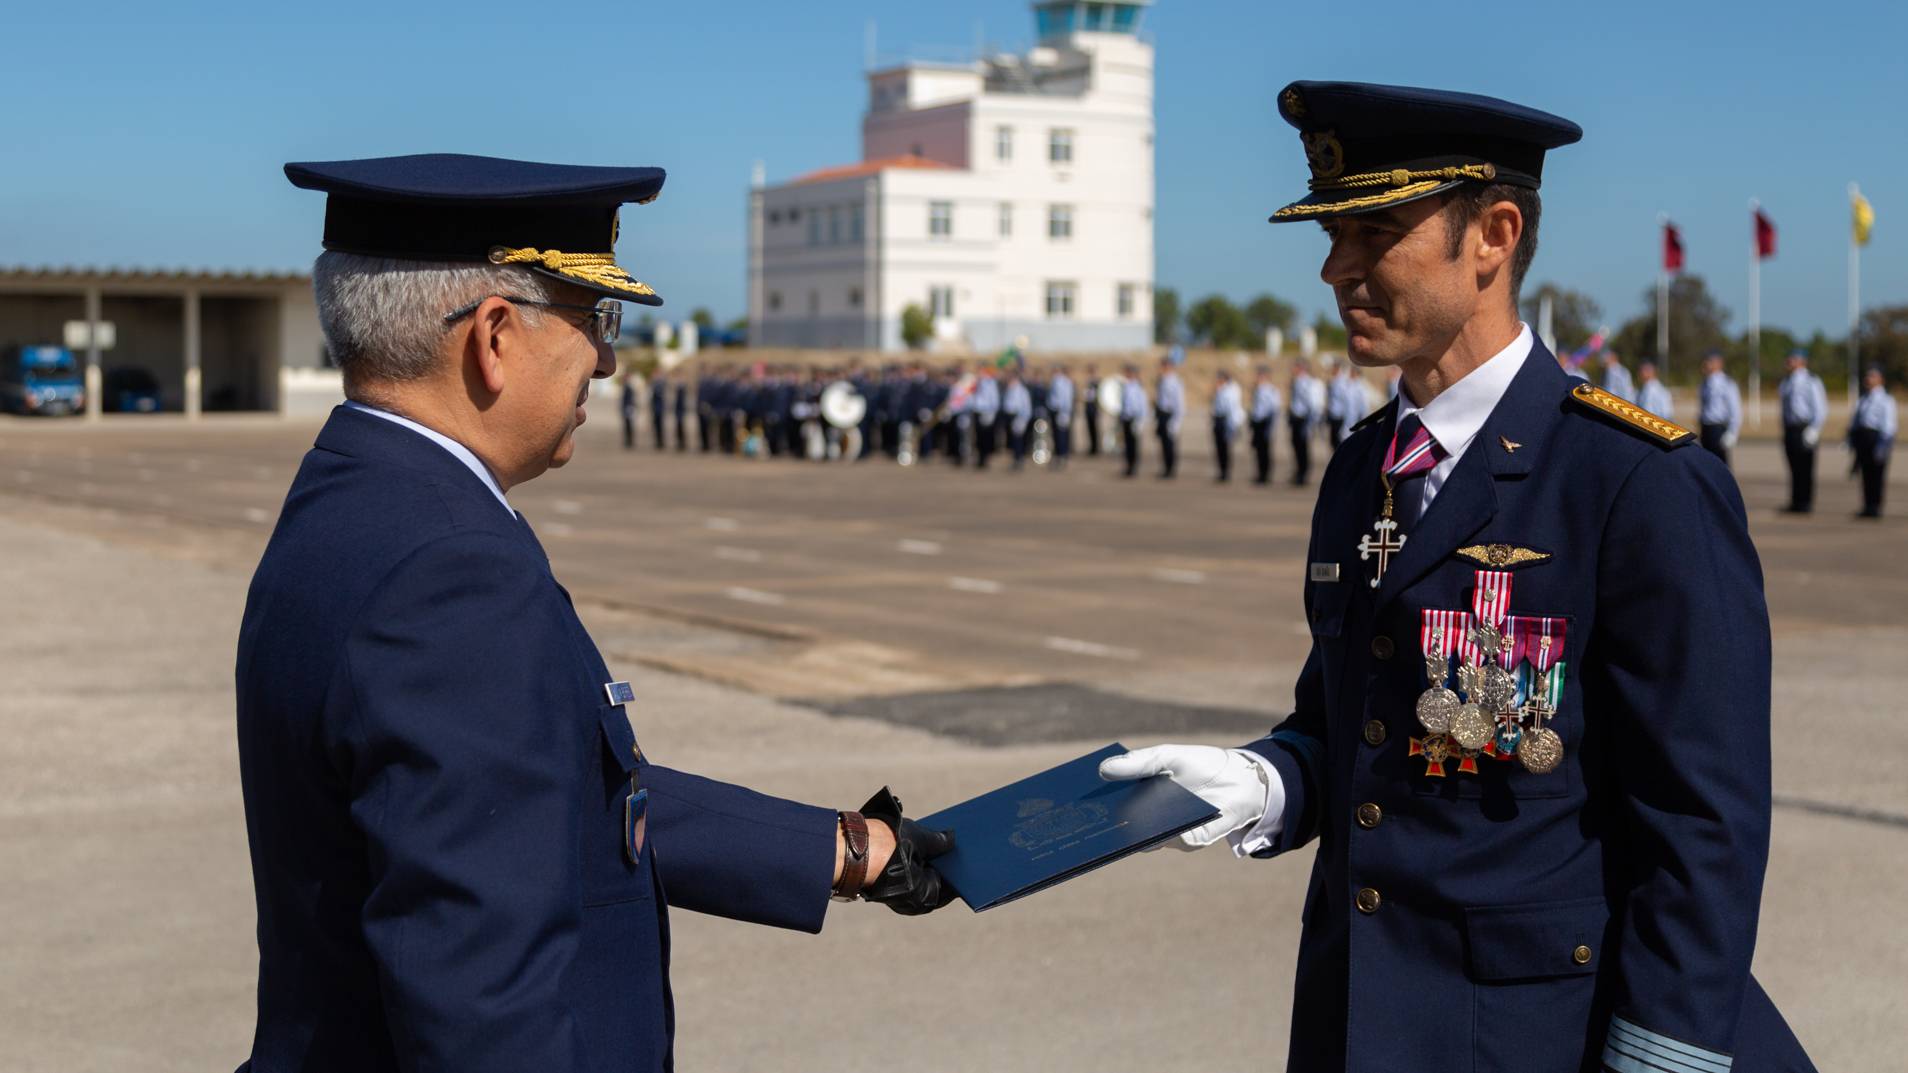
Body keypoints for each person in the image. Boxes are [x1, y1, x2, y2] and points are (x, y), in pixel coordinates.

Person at [1100, 82, 1813, 1073]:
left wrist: (1663, 1060)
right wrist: (1265, 780)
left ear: (1494, 234)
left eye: (1375, 232)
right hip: (1368, 1020)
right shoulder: (1365, 468)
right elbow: (1354, 723)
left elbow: (1704, 827)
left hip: (1547, 1036)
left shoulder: (1635, 481)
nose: (1335, 268)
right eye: (1332, 235)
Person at [245, 155, 955, 1073]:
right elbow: (483, 1008)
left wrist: (845, 848)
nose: (609, 360)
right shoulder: (453, 572)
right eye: (594, 319)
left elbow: (561, 795)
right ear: (495, 336)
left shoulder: (354, 495)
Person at [1778, 350, 1829, 513]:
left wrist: (1814, 429)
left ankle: (1805, 502)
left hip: (1805, 428)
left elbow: (1820, 408)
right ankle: (1796, 501)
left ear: (1802, 361)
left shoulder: (1811, 381)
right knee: (1793, 467)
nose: (1788, 361)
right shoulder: (1786, 382)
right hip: (1791, 428)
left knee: (1806, 467)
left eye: (1792, 359)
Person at [1849, 365, 1897, 519]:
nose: (1868, 379)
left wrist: (1883, 446)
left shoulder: (1886, 400)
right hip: (1863, 439)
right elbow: (1856, 421)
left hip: (1876, 439)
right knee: (1865, 474)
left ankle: (1875, 507)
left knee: (1877, 475)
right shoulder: (1863, 398)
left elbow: (1889, 425)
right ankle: (1867, 505)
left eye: (1873, 376)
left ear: (1881, 380)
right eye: (1868, 376)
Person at [1698, 350, 1742, 467]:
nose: (1706, 364)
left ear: (1719, 363)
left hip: (1718, 429)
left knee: (1721, 466)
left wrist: (1732, 433)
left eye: (1709, 361)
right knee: (1707, 465)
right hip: (1706, 427)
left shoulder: (1727, 383)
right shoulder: (1704, 383)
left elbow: (1735, 410)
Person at [1288, 357, 1321, 485]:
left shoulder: (1307, 383)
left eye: (1295, 367)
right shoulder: (1297, 381)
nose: (1292, 369)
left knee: (1303, 447)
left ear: (1302, 368)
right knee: (1296, 446)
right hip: (1296, 418)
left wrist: (1310, 423)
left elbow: (1312, 403)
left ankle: (1303, 474)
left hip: (1303, 419)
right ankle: (1298, 472)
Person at [1249, 365, 1283, 485]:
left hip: (1265, 422)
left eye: (1260, 375)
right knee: (1258, 449)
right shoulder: (1257, 389)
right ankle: (1260, 473)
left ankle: (1265, 474)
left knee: (1265, 450)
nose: (1258, 377)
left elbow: (1274, 409)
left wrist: (1270, 426)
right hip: (1257, 422)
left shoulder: (1271, 390)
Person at [1211, 368, 1244, 482]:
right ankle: (1222, 471)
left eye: (1219, 378)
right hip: (1219, 420)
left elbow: (1232, 410)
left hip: (1225, 421)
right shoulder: (1221, 390)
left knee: (1224, 448)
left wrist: (1232, 426)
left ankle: (1225, 472)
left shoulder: (1230, 391)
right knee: (1219, 448)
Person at [1154, 357, 1184, 478]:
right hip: (1161, 414)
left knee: (1169, 444)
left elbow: (1179, 403)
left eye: (1165, 366)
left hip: (1169, 414)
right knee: (1162, 443)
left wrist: (1176, 421)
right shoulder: (1162, 380)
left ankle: (1171, 469)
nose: (1162, 368)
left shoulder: (1175, 382)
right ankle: (1165, 467)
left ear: (1170, 367)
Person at [1118, 363, 1146, 478]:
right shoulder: (1126, 386)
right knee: (1127, 444)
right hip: (1126, 418)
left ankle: (1133, 467)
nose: (1127, 374)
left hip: (1134, 419)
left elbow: (1142, 406)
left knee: (1134, 445)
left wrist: (1140, 421)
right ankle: (1128, 466)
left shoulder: (1138, 387)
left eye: (1129, 372)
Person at [1002, 367, 1033, 470]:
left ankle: (1019, 460)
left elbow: (1026, 407)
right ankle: (1015, 460)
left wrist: (1022, 420)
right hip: (1009, 417)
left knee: (1018, 441)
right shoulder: (1009, 389)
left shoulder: (1021, 390)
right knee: (1012, 442)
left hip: (1017, 417)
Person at [1047, 363, 1075, 468]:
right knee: (1055, 435)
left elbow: (1066, 398)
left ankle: (1063, 456)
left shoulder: (1063, 382)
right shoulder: (1055, 381)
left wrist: (1064, 413)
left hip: (1060, 411)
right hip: (1054, 410)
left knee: (1061, 436)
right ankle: (1058, 456)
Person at [1082, 363, 1103, 456]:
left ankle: (1095, 448)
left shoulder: (1097, 382)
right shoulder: (1088, 382)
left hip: (1094, 408)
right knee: (1089, 428)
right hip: (1088, 408)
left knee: (1095, 429)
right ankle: (1092, 447)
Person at [620, 369, 639, 450]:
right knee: (627, 426)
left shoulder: (629, 387)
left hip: (629, 408)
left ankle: (630, 441)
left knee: (629, 426)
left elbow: (631, 399)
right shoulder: (626, 386)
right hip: (626, 408)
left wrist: (631, 408)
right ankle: (628, 441)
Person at [648, 369, 667, 449]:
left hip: (660, 409)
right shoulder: (654, 384)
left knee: (660, 426)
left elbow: (660, 395)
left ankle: (661, 443)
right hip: (655, 408)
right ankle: (658, 442)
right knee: (656, 426)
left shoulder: (661, 384)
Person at [673, 375, 689, 451]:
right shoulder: (677, 388)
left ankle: (682, 443)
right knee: (678, 427)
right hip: (678, 410)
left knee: (681, 427)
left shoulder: (683, 388)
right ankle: (680, 442)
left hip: (681, 410)